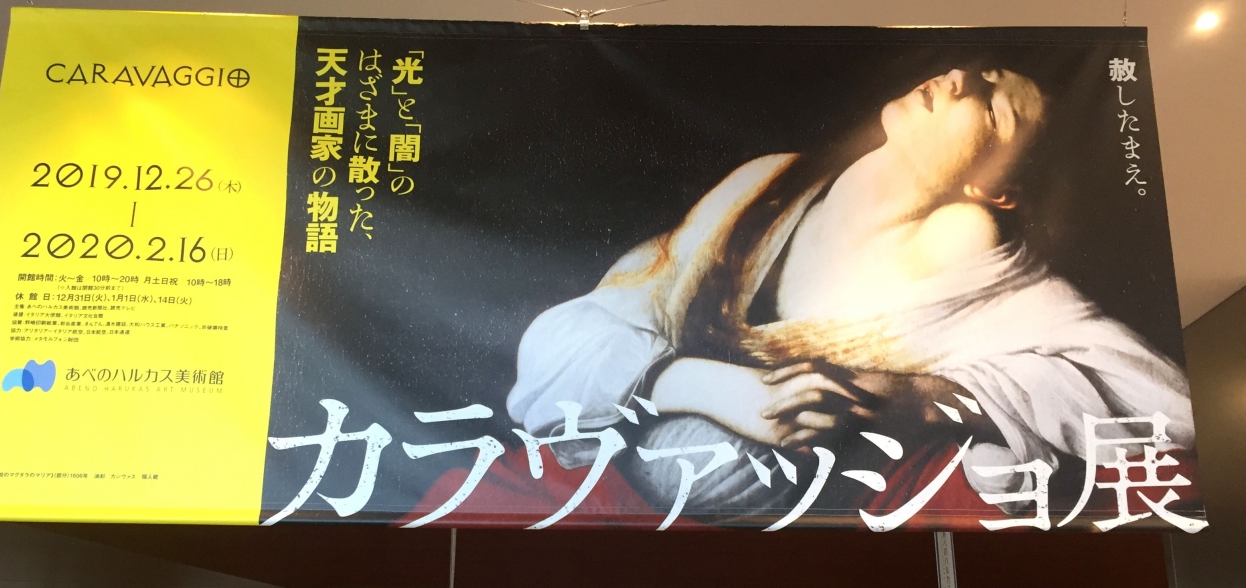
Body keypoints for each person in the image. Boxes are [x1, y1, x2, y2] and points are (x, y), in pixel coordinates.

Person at [508, 66, 1195, 524]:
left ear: (999, 188)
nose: (959, 79)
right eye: (978, 71)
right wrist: (710, 387)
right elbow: (581, 331)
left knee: (705, 459)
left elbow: (1166, 402)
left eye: (991, 106)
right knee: (681, 444)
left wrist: (923, 398)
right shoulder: (773, 183)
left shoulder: (978, 264)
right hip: (679, 426)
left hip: (767, 472)